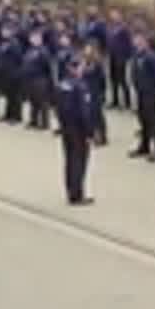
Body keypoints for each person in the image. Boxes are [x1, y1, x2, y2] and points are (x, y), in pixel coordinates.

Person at [56, 55, 97, 207]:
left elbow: (58, 107)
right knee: (79, 162)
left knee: (69, 160)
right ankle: (77, 194)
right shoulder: (81, 87)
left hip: (66, 127)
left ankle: (70, 191)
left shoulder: (62, 84)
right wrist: (89, 133)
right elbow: (84, 112)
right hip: (79, 129)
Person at [129, 33, 155, 162]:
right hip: (140, 92)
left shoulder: (152, 57)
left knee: (154, 122)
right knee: (143, 120)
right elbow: (134, 73)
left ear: (145, 42)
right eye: (136, 41)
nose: (137, 43)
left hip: (150, 93)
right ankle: (144, 146)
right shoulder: (136, 56)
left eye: (140, 41)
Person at [22, 30, 53, 132]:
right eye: (32, 38)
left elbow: (47, 67)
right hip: (30, 79)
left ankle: (45, 123)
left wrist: (47, 80)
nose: (33, 40)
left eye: (36, 38)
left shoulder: (44, 51)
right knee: (33, 101)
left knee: (42, 102)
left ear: (40, 39)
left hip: (40, 79)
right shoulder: (30, 50)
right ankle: (34, 121)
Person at [80, 43, 109, 147]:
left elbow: (102, 80)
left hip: (95, 91)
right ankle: (91, 135)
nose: (87, 51)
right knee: (88, 114)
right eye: (86, 49)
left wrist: (102, 93)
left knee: (97, 115)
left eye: (89, 50)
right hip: (86, 91)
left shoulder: (97, 64)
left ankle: (101, 136)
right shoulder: (83, 63)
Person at [106, 11, 133, 111]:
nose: (113, 16)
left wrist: (127, 57)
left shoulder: (124, 28)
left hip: (121, 57)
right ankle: (115, 101)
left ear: (120, 16)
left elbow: (129, 44)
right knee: (113, 80)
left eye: (116, 14)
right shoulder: (111, 27)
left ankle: (127, 102)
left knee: (122, 80)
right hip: (112, 57)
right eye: (112, 15)